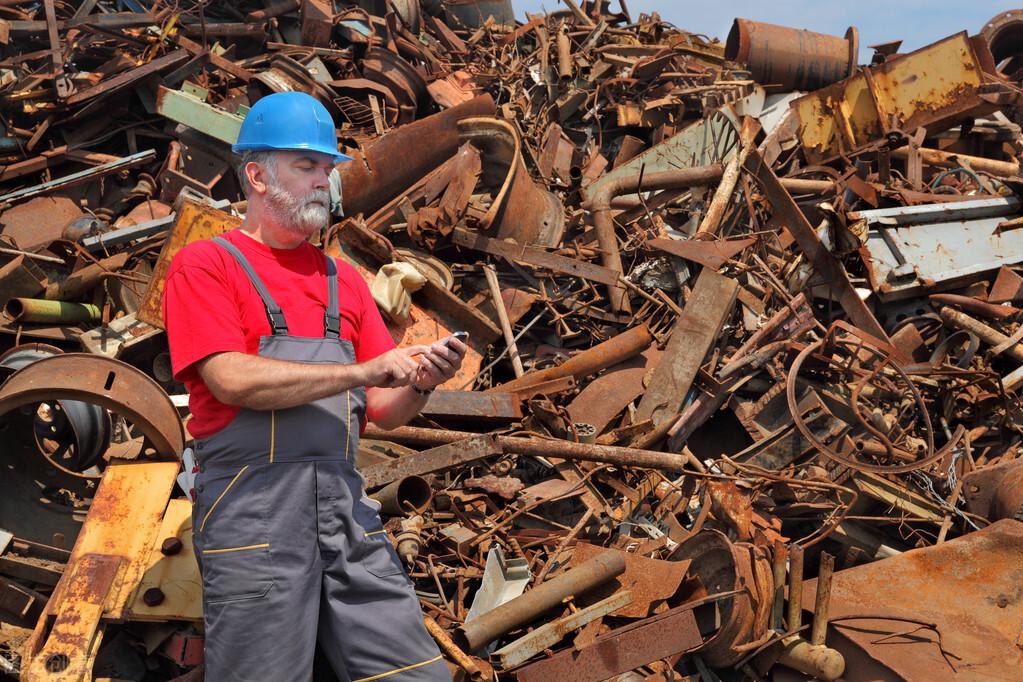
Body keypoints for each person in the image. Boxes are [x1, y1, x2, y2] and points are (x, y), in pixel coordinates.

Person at [162, 91, 462, 682]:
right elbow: (230, 379)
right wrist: (360, 370)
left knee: (418, 674)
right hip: (253, 515)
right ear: (256, 174)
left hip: (345, 512)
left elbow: (384, 408)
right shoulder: (206, 265)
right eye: (306, 166)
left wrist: (423, 381)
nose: (323, 181)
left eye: (327, 169)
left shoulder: (343, 281)